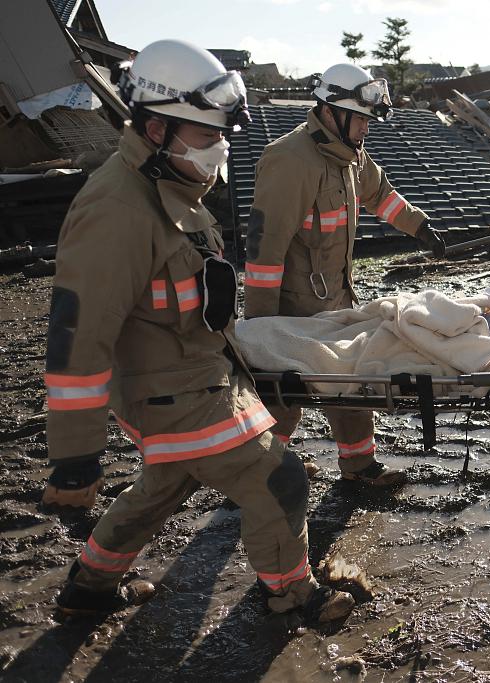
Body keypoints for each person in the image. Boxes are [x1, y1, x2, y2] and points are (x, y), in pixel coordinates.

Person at [42, 40, 350, 624]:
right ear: (158, 128)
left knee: (166, 484)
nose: (220, 148)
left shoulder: (169, 188)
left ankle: (89, 588)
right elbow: (78, 338)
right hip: (172, 392)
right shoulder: (117, 210)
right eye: (209, 136)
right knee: (278, 476)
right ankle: (291, 596)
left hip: (199, 377)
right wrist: (75, 458)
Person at [243, 63, 446, 487]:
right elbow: (266, 250)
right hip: (292, 308)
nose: (367, 130)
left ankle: (358, 467)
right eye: (362, 119)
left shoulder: (349, 155)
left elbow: (381, 194)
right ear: (332, 110)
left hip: (336, 297)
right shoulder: (290, 160)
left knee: (351, 383)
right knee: (283, 396)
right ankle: (260, 471)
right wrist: (260, 329)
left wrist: (419, 226)